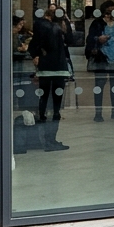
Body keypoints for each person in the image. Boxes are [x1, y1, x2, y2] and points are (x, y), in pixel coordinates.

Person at [29, 9, 71, 151]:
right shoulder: (57, 29)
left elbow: (33, 45)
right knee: (56, 106)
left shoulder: (42, 27)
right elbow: (69, 42)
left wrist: (36, 54)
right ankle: (51, 139)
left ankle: (44, 139)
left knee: (44, 102)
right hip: (58, 68)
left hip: (45, 68)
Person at [86, 6, 114, 121]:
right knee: (99, 85)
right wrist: (98, 38)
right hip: (101, 56)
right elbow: (90, 38)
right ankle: (98, 113)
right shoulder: (97, 23)